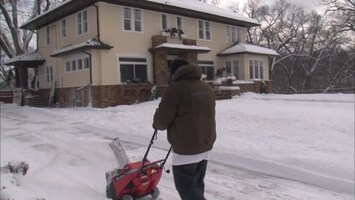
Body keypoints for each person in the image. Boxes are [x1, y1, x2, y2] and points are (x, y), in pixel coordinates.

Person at [153, 58, 216, 200]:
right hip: (205, 144)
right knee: (196, 184)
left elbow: (162, 121)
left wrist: (156, 123)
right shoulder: (206, 87)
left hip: (186, 148)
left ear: (173, 73)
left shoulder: (175, 89)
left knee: (186, 187)